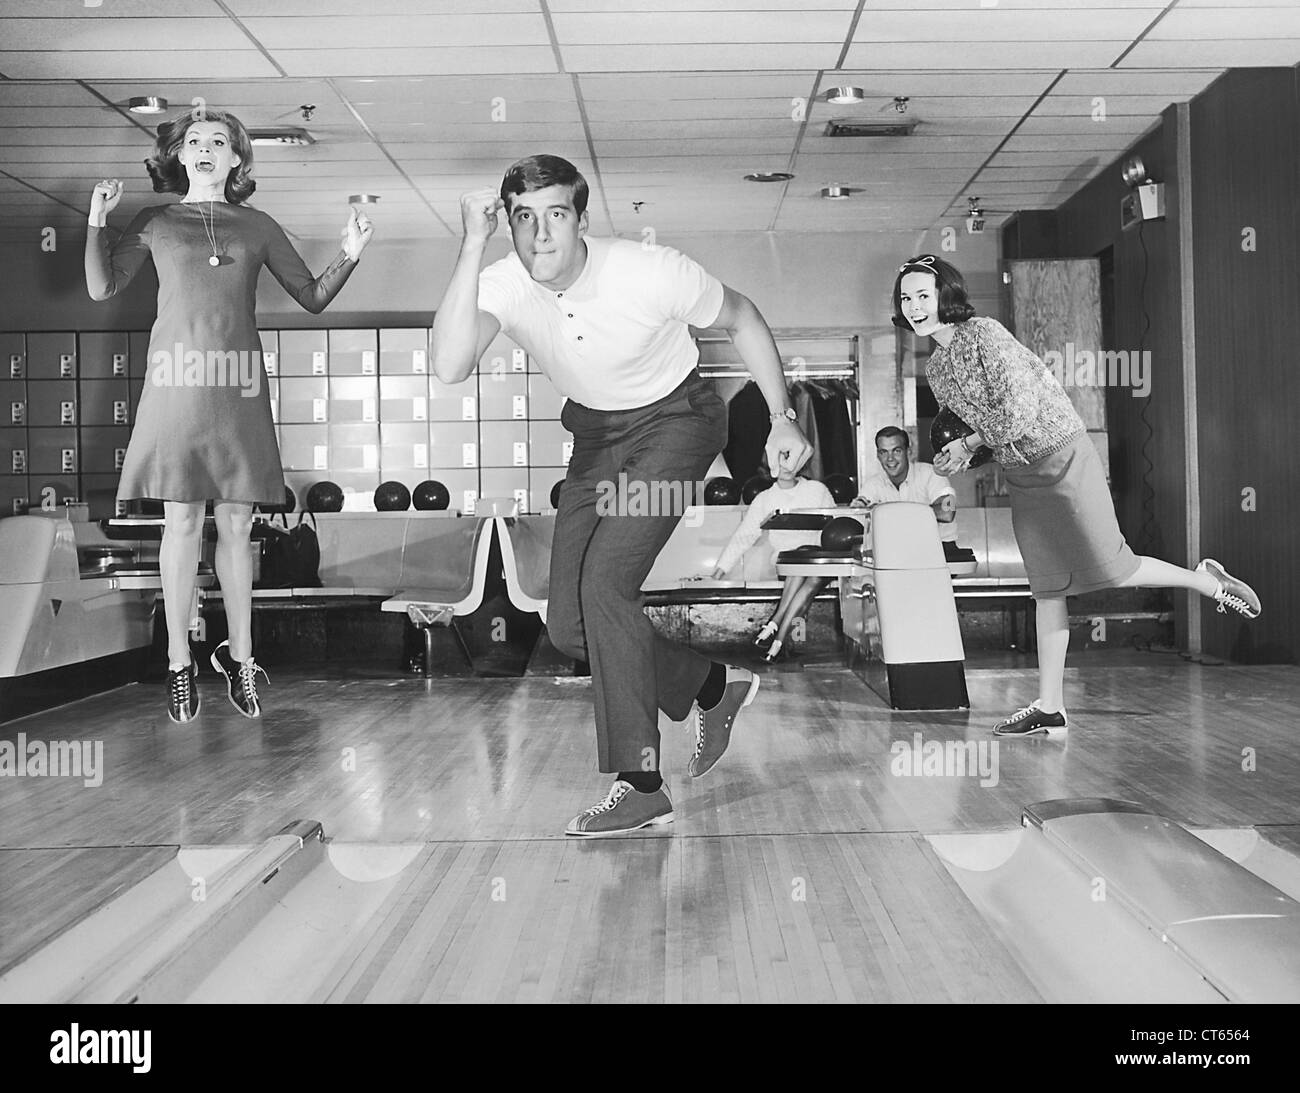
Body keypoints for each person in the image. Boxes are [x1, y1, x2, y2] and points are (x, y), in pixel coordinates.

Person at [432, 155, 812, 836]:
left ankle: (640, 780)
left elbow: (743, 316)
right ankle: (710, 687)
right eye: (523, 218)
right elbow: (451, 364)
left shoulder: (650, 270)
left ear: (581, 220)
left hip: (678, 422)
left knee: (607, 583)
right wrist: (469, 244)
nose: (541, 235)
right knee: (568, 623)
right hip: (596, 440)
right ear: (508, 224)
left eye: (556, 216)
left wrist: (782, 415)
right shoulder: (503, 281)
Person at [895, 254, 1261, 737]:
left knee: (1116, 567)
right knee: (1047, 588)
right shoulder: (938, 368)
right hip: (1020, 469)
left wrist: (969, 443)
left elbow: (1018, 412)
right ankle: (1050, 705)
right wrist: (962, 457)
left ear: (946, 296)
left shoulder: (983, 334)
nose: (915, 307)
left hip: (1062, 457)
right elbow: (983, 432)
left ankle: (1209, 582)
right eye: (906, 298)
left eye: (924, 295)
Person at [86, 108, 372, 724]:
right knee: (182, 523)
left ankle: (240, 658)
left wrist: (349, 254)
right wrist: (95, 223)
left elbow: (313, 298)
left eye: (221, 142)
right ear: (180, 156)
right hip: (175, 384)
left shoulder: (257, 225)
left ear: (238, 159)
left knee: (238, 527)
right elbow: (102, 288)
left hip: (237, 386)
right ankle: (179, 662)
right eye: (195, 141)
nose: (207, 149)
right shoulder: (156, 221)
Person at [706, 468, 835, 662]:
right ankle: (780, 641)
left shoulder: (817, 490)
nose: (786, 464)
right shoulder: (764, 499)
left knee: (806, 566)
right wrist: (719, 571)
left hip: (820, 560)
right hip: (790, 564)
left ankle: (774, 626)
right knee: (801, 567)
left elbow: (835, 525)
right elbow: (744, 536)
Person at [851, 425, 958, 543]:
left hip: (941, 550)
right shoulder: (872, 485)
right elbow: (857, 518)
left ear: (908, 451)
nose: (890, 458)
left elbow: (948, 512)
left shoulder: (934, 473)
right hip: (896, 551)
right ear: (878, 455)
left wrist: (889, 512)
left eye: (897, 451)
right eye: (883, 452)